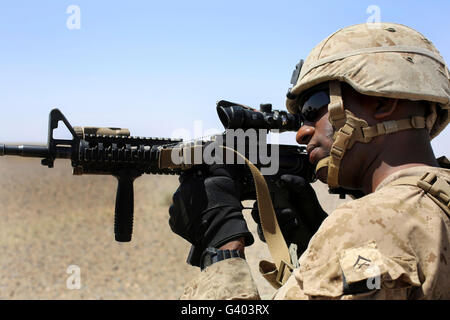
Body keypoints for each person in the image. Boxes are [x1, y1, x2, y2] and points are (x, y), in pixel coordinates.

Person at [168, 22, 450, 299]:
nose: (301, 132)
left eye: (313, 107)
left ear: (382, 101)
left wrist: (223, 249)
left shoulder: (366, 226)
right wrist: (313, 246)